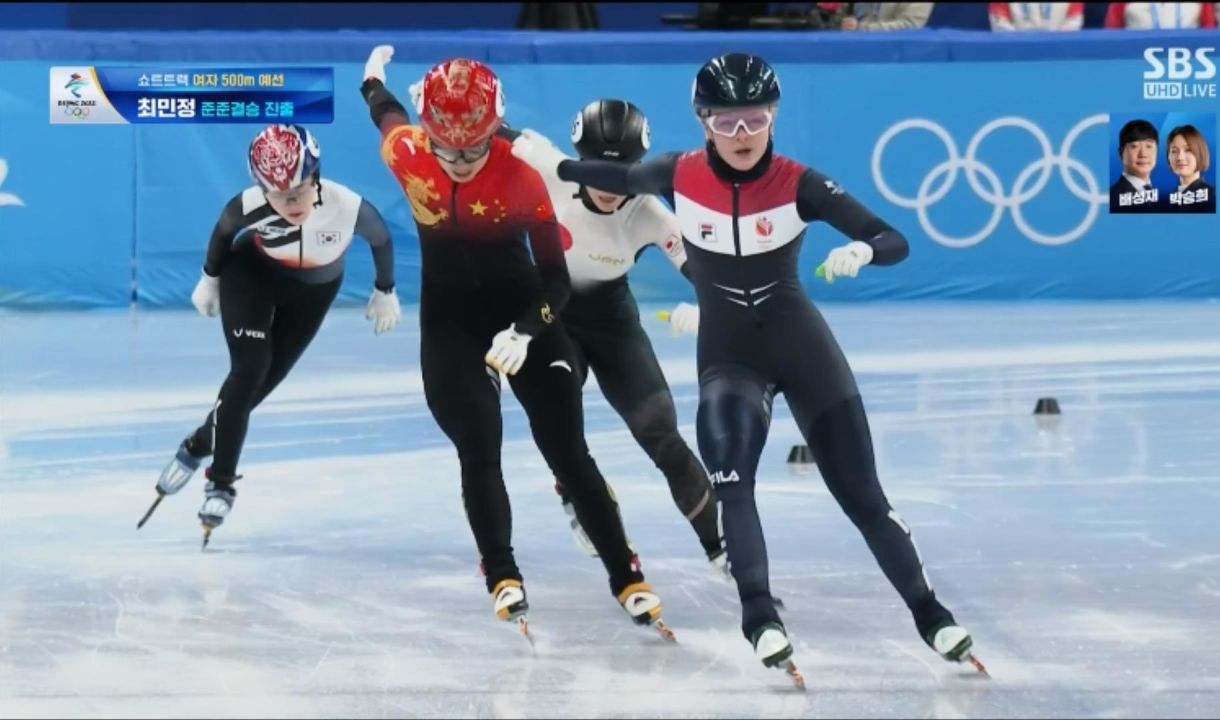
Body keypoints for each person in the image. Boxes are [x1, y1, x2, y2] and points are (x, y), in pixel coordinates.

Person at [536, 52, 982, 686]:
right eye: (726, 122)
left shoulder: (801, 182)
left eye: (755, 120)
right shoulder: (675, 175)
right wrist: (506, 140)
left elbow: (893, 239)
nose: (742, 136)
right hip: (729, 359)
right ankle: (759, 616)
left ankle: (930, 612)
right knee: (733, 484)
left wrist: (862, 249)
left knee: (862, 497)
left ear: (773, 117)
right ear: (703, 121)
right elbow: (576, 169)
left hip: (803, 350)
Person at [359, 46, 672, 640]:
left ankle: (626, 575)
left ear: (493, 133)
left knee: (568, 451)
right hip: (450, 328)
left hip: (528, 315)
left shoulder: (523, 176)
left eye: (475, 147)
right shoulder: (408, 152)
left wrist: (526, 330)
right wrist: (371, 80)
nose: (459, 160)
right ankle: (501, 571)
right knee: (479, 445)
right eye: (447, 148)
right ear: (429, 137)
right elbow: (386, 113)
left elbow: (557, 280)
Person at [140, 124, 402, 547]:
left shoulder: (349, 207)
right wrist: (209, 279)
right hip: (251, 278)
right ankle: (220, 484)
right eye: (278, 196)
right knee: (248, 371)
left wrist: (385, 288)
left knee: (256, 391)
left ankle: (196, 445)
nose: (290, 203)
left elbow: (382, 239)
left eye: (298, 191)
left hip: (313, 294)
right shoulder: (247, 205)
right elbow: (224, 234)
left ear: (315, 176)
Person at [495, 100, 726, 575]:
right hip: (551, 313)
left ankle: (721, 550)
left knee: (660, 432)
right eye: (596, 168)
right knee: (558, 418)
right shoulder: (547, 165)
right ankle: (572, 485)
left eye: (620, 172)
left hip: (612, 321)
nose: (606, 184)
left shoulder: (650, 215)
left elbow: (708, 276)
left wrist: (708, 306)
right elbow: (479, 128)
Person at [1109, 119, 1161, 214]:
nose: (1143, 154)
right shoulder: (1111, 198)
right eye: (1134, 146)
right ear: (1121, 153)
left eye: (1149, 146)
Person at [1163, 124, 1216, 214]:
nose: (1180, 157)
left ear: (1200, 153)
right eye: (1174, 151)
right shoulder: (1168, 199)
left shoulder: (1212, 196)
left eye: (1188, 150)